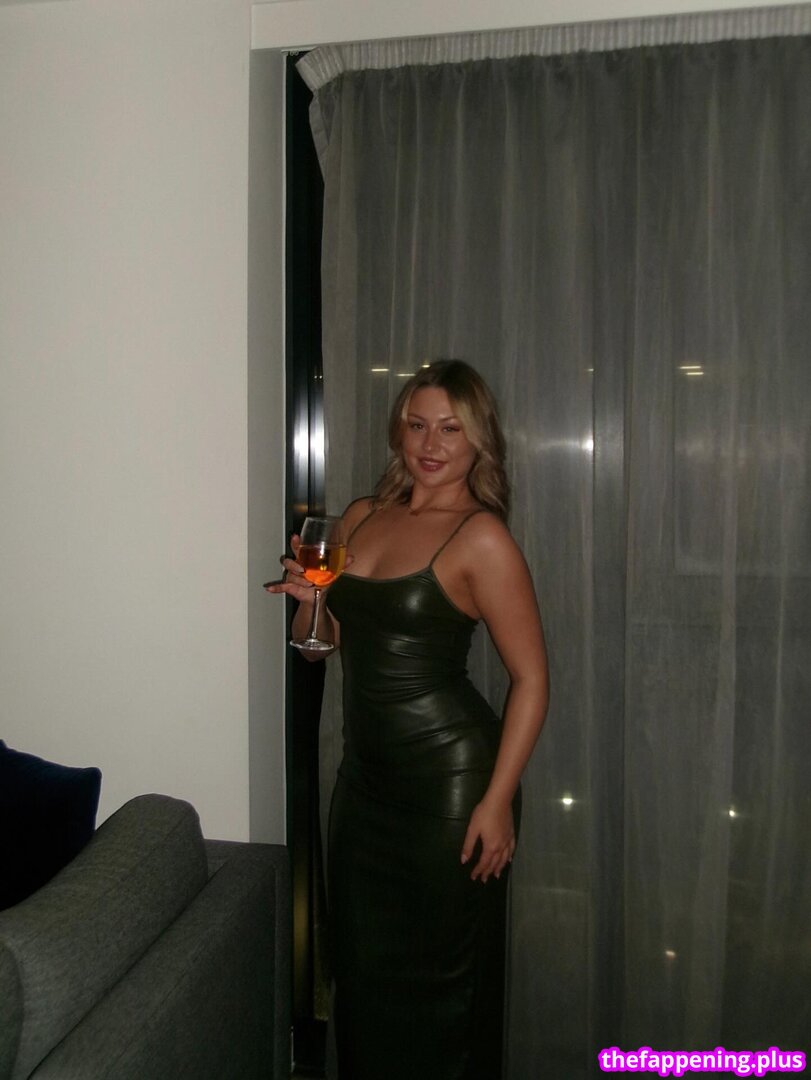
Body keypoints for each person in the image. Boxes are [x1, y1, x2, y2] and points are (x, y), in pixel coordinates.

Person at [267, 360, 548, 1080]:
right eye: (418, 425)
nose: (430, 444)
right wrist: (311, 600)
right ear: (398, 431)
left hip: (450, 787)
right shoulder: (360, 516)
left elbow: (531, 680)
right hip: (364, 788)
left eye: (450, 429)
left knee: (445, 988)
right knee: (361, 977)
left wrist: (496, 802)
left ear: (479, 440)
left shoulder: (480, 538)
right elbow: (320, 647)